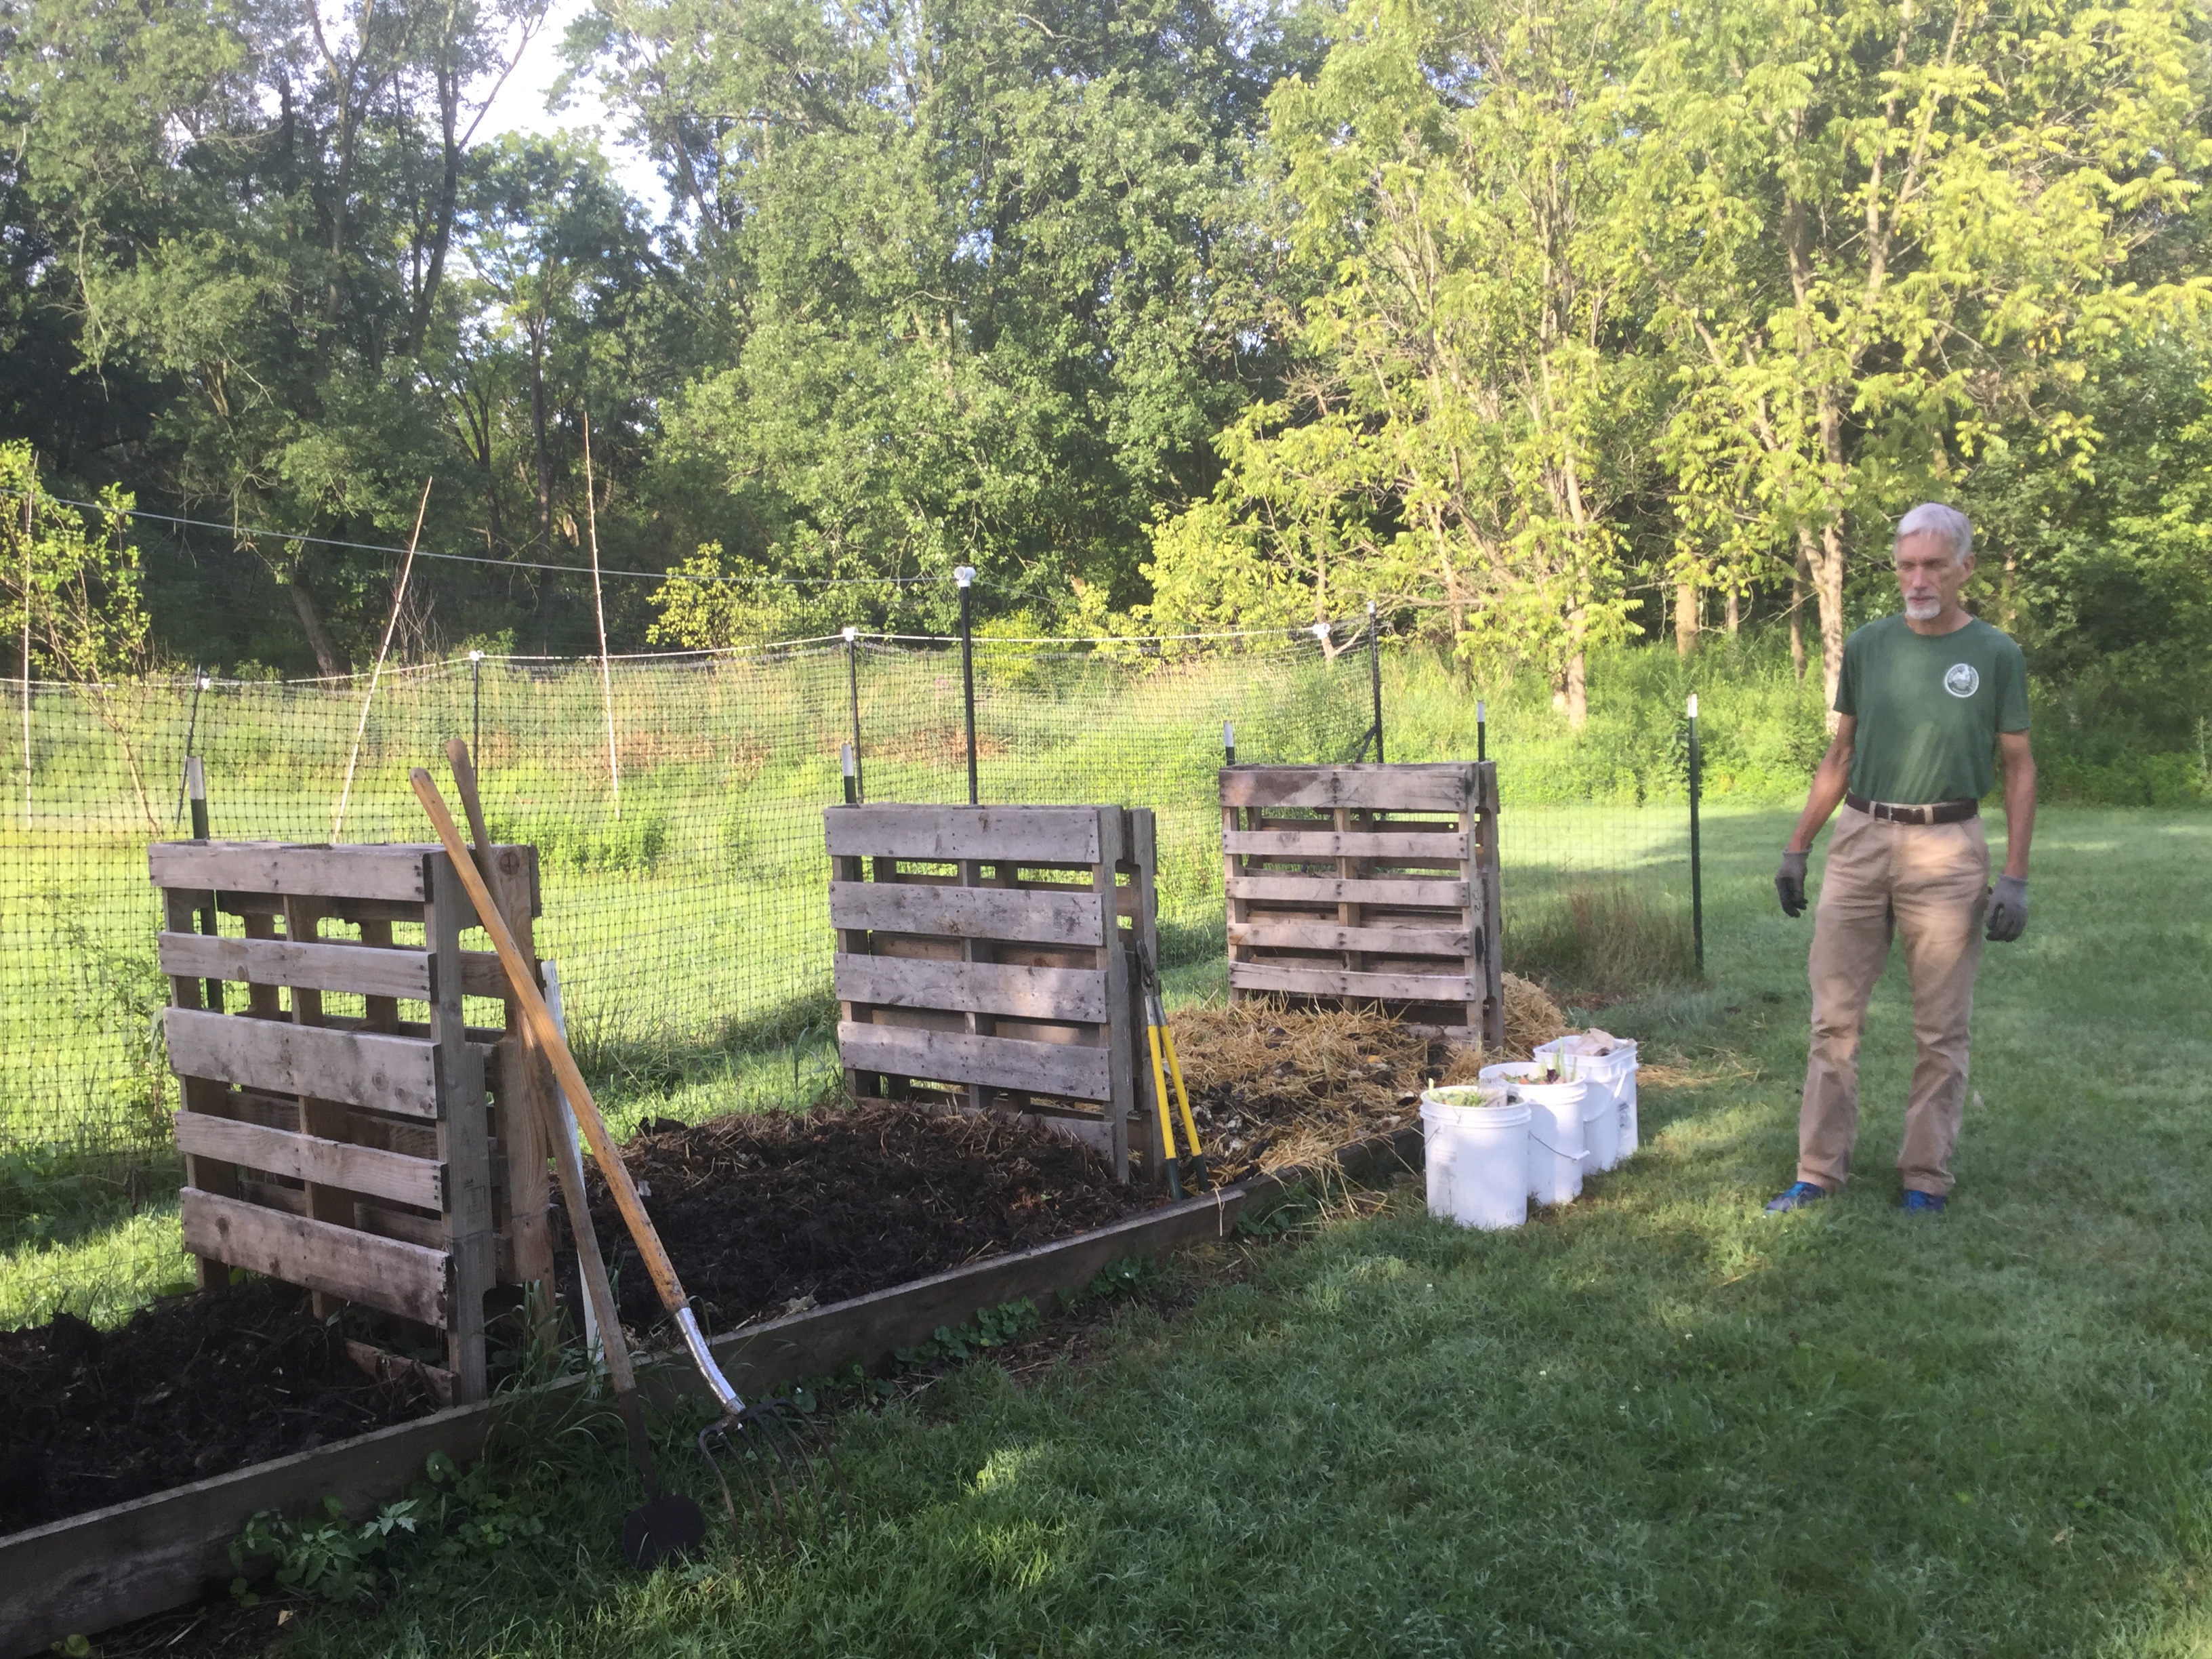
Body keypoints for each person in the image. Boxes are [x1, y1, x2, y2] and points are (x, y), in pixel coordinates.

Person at [1765, 504, 2035, 1216]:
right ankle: (1818, 1172)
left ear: (1963, 569)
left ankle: (1925, 1177)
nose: (1918, 578)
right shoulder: (1868, 646)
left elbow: (2019, 769)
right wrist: (1799, 846)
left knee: (1941, 1028)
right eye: (1907, 565)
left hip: (1949, 849)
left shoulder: (1995, 655)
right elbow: (1841, 754)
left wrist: (2015, 875)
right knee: (1833, 1020)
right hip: (1859, 840)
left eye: (1934, 565)